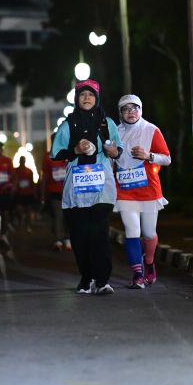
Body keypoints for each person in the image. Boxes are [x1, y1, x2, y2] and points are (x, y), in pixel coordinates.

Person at [51, 79, 122, 295]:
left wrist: (112, 151)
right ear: (77, 98)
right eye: (82, 94)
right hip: (76, 191)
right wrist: (76, 149)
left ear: (97, 98)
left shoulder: (107, 123)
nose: (87, 98)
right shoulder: (68, 124)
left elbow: (117, 150)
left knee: (99, 233)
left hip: (102, 189)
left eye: (91, 94)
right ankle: (86, 278)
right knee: (80, 236)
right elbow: (56, 153)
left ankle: (102, 280)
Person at [114, 94, 171, 289]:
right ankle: (137, 275)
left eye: (135, 108)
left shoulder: (151, 130)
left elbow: (167, 158)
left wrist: (149, 156)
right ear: (120, 113)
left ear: (141, 110)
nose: (131, 112)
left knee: (148, 232)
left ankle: (148, 262)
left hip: (148, 190)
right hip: (125, 190)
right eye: (126, 109)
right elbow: (109, 158)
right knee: (132, 231)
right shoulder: (115, 132)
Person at [40, 135, 71, 252]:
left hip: (69, 192)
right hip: (54, 192)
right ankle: (58, 240)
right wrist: (42, 195)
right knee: (58, 216)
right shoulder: (48, 156)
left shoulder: (69, 154)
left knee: (68, 216)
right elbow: (45, 176)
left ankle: (67, 239)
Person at [12, 155, 36, 232]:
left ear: (25, 161)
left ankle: (28, 225)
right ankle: (21, 222)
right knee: (19, 209)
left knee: (29, 209)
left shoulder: (29, 171)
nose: (22, 161)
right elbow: (13, 181)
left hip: (28, 193)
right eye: (21, 160)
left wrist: (34, 191)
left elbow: (32, 182)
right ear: (19, 161)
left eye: (23, 160)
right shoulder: (15, 171)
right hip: (19, 193)